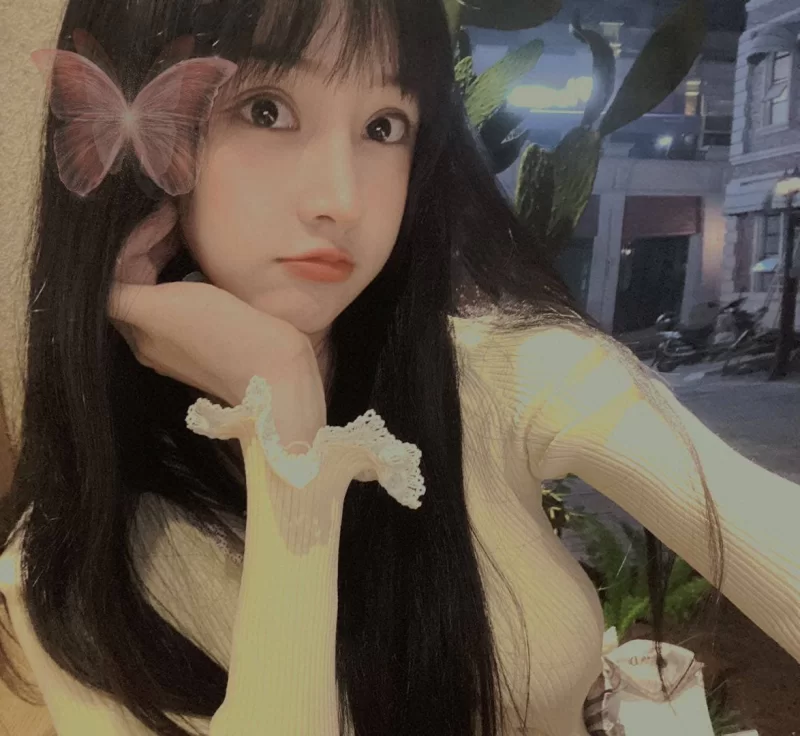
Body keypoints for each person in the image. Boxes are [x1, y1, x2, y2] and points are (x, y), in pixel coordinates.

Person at [0, 0, 798, 734]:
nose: (343, 199)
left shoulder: (504, 373)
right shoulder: (73, 563)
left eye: (385, 126)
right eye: (265, 109)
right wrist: (286, 423)